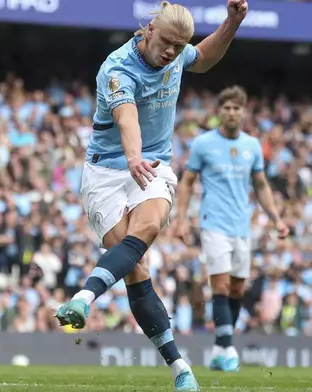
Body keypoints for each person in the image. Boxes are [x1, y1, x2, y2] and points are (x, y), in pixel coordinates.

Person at [54, 1, 248, 391]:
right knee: (136, 269)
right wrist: (132, 157)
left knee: (148, 228)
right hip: (107, 172)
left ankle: (84, 297)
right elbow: (127, 118)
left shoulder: (175, 54)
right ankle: (177, 363)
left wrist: (232, 21)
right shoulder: (117, 68)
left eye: (179, 46)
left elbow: (205, 58)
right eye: (167, 43)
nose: (172, 53)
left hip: (153, 164)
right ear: (148, 31)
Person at [174, 86, 289, 372]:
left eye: (237, 108)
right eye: (226, 107)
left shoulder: (251, 146)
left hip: (241, 225)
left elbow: (261, 185)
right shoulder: (203, 144)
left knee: (237, 288)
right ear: (219, 111)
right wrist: (181, 219)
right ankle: (228, 349)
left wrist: (275, 218)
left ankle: (219, 349)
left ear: (243, 111)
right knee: (221, 284)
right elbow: (187, 182)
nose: (231, 112)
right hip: (213, 223)